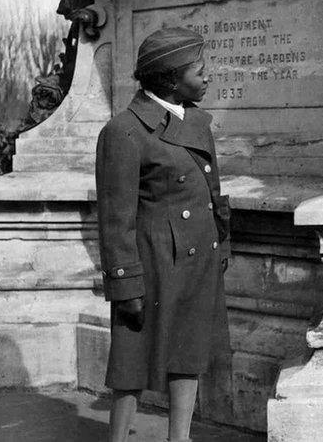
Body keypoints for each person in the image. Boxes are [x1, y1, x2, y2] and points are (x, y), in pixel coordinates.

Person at [95, 27, 231, 442]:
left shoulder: (196, 122)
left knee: (187, 353)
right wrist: (124, 282)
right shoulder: (124, 131)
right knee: (132, 360)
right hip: (152, 262)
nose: (208, 77)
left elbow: (212, 193)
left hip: (195, 260)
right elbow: (116, 217)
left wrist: (221, 245)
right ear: (172, 79)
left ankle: (180, 437)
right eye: (200, 70)